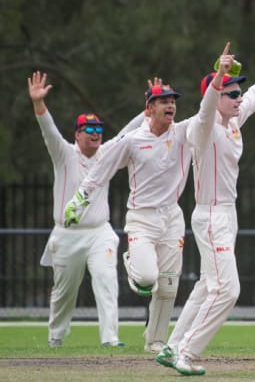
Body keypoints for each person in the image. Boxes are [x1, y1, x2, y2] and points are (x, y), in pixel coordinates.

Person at [155, 39, 255, 376]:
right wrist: (218, 77)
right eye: (230, 93)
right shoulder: (200, 128)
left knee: (208, 285)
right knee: (228, 290)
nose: (238, 98)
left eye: (237, 93)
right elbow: (206, 111)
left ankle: (171, 346)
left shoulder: (234, 120)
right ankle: (187, 352)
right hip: (210, 215)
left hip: (228, 214)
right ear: (216, 95)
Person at [64, 77, 195, 354]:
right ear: (149, 109)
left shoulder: (183, 133)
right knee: (148, 278)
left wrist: (218, 84)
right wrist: (79, 200)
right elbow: (102, 170)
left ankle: (155, 340)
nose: (170, 105)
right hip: (142, 218)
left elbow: (208, 115)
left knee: (169, 285)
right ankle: (133, 262)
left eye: (172, 101)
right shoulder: (133, 140)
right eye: (163, 102)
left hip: (172, 216)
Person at [29, 70, 144, 347]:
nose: (96, 134)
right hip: (67, 235)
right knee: (63, 293)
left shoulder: (107, 154)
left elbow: (128, 133)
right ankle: (56, 337)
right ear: (78, 134)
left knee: (106, 280)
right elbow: (48, 130)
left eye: (98, 130)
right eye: (89, 130)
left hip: (99, 232)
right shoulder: (64, 153)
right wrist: (38, 103)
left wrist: (148, 110)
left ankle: (110, 339)